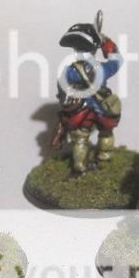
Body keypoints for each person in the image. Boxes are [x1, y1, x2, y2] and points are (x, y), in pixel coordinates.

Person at [51, 18, 123, 174]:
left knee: (81, 139)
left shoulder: (68, 71)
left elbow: (62, 90)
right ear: (93, 49)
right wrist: (106, 42)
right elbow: (117, 61)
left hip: (80, 111)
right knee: (106, 133)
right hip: (101, 108)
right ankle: (104, 157)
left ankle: (80, 166)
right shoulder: (101, 69)